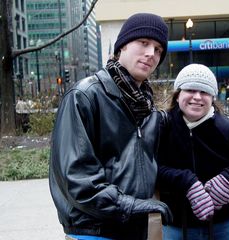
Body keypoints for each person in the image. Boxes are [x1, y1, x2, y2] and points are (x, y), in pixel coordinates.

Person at [49, 13, 173, 240]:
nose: (151, 54)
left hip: (135, 230)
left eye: (158, 50)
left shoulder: (146, 109)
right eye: (143, 43)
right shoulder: (85, 96)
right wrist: (132, 205)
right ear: (123, 46)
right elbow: (77, 179)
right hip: (93, 232)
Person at [156, 64, 229, 240]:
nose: (197, 97)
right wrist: (185, 182)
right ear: (178, 93)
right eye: (190, 89)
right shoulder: (161, 127)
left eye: (204, 92)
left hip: (225, 225)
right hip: (177, 226)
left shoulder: (228, 129)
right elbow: (147, 168)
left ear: (212, 97)